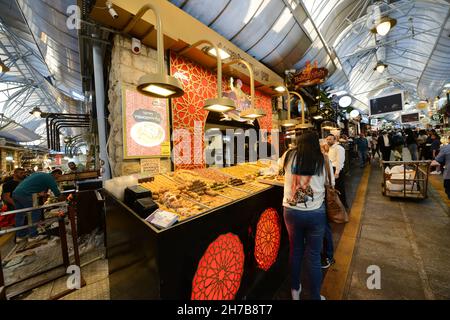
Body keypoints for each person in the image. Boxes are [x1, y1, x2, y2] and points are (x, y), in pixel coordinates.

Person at [281, 131, 334, 300]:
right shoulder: (323, 158)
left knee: (295, 252)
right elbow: (330, 182)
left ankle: (295, 292)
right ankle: (315, 297)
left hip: (291, 211)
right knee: (313, 256)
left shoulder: (288, 155)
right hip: (315, 213)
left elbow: (278, 170)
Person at [12, 169, 63, 242]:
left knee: (20, 215)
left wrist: (41, 193)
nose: (57, 178)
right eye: (58, 176)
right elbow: (56, 192)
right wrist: (64, 200)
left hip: (16, 193)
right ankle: (33, 235)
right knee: (35, 212)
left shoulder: (40, 174)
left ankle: (20, 236)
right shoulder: (49, 178)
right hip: (26, 195)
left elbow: (33, 186)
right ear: (55, 174)